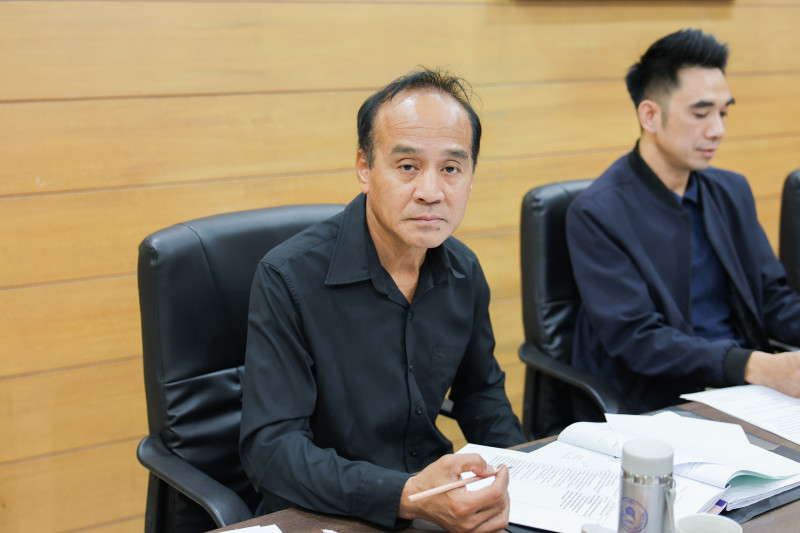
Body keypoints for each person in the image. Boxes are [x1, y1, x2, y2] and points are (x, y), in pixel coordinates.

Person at [240, 68, 525, 532]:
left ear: (471, 176)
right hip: (322, 513)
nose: (431, 192)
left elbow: (481, 395)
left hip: (433, 507)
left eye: (451, 168)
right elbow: (272, 452)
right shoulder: (287, 277)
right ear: (364, 168)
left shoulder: (463, 270)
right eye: (407, 166)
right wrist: (404, 495)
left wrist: (519, 477)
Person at [566, 29, 800, 416]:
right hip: (658, 403)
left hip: (744, 390)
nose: (717, 130)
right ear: (650, 115)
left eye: (723, 113)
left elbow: (772, 299)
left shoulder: (731, 190)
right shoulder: (597, 211)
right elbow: (638, 339)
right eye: (701, 113)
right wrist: (754, 366)